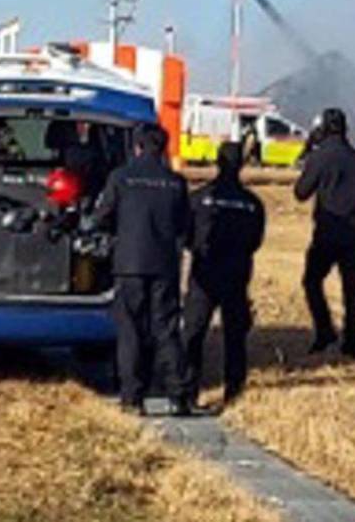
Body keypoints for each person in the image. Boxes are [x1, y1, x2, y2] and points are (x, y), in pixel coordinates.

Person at [93, 123, 191, 416]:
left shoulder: (121, 178)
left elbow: (101, 217)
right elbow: (184, 225)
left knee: (131, 330)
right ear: (163, 148)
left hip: (129, 264)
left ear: (136, 147)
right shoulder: (175, 182)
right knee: (166, 329)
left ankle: (133, 398)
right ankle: (178, 395)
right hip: (165, 264)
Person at [182, 141, 265, 410]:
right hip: (237, 274)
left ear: (217, 163)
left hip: (204, 273)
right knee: (235, 335)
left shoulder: (198, 198)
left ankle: (188, 390)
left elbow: (185, 235)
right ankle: (234, 391)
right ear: (242, 164)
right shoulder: (253, 203)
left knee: (193, 333)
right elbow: (256, 240)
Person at [293, 107, 355, 357]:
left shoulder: (320, 158)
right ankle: (352, 343)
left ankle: (324, 330)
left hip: (328, 231)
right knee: (352, 290)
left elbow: (301, 193)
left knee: (312, 281)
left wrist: (308, 153)